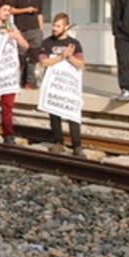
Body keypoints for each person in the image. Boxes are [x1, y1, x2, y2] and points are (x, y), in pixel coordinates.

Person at [39, 13, 85, 156]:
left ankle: (77, 145)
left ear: (66, 27)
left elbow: (81, 64)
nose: (54, 28)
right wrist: (61, 56)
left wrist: (70, 56)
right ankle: (58, 142)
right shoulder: (47, 43)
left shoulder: (74, 44)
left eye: (58, 26)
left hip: (69, 87)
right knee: (54, 114)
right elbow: (43, 62)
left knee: (72, 115)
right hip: (54, 86)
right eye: (53, 25)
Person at [0, 0, 28, 144]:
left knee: (8, 106)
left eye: (9, 10)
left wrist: (16, 35)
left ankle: (8, 134)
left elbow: (25, 46)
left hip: (8, 73)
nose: (7, 13)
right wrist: (4, 35)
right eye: (4, 10)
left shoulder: (11, 25)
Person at [10, 0, 45, 89]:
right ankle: (18, 81)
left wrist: (41, 30)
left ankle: (30, 83)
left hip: (35, 30)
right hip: (21, 30)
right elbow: (11, 10)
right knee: (21, 57)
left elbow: (40, 14)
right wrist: (26, 9)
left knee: (33, 58)